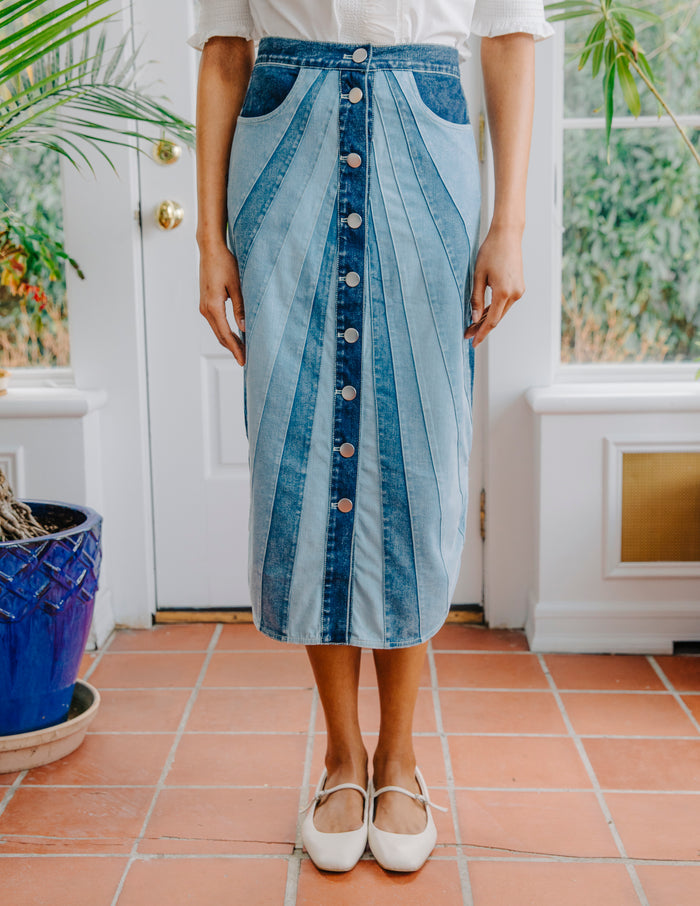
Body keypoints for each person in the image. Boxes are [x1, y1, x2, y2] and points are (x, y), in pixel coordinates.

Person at [187, 0, 553, 874]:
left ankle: (400, 757)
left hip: (425, 136)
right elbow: (226, 52)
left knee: (415, 457)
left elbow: (508, 39)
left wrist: (509, 223)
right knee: (302, 453)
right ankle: (342, 756)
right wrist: (208, 240)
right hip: (285, 143)